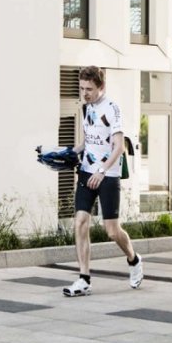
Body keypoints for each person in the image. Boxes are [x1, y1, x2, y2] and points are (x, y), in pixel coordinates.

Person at [63, 66, 143, 297]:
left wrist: (101, 170)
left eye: (89, 89)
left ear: (101, 87)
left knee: (112, 231)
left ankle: (134, 259)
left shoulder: (112, 109)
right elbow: (87, 142)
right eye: (81, 89)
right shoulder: (86, 108)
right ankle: (84, 279)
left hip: (107, 175)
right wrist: (66, 153)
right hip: (86, 172)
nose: (84, 93)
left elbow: (119, 147)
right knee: (80, 222)